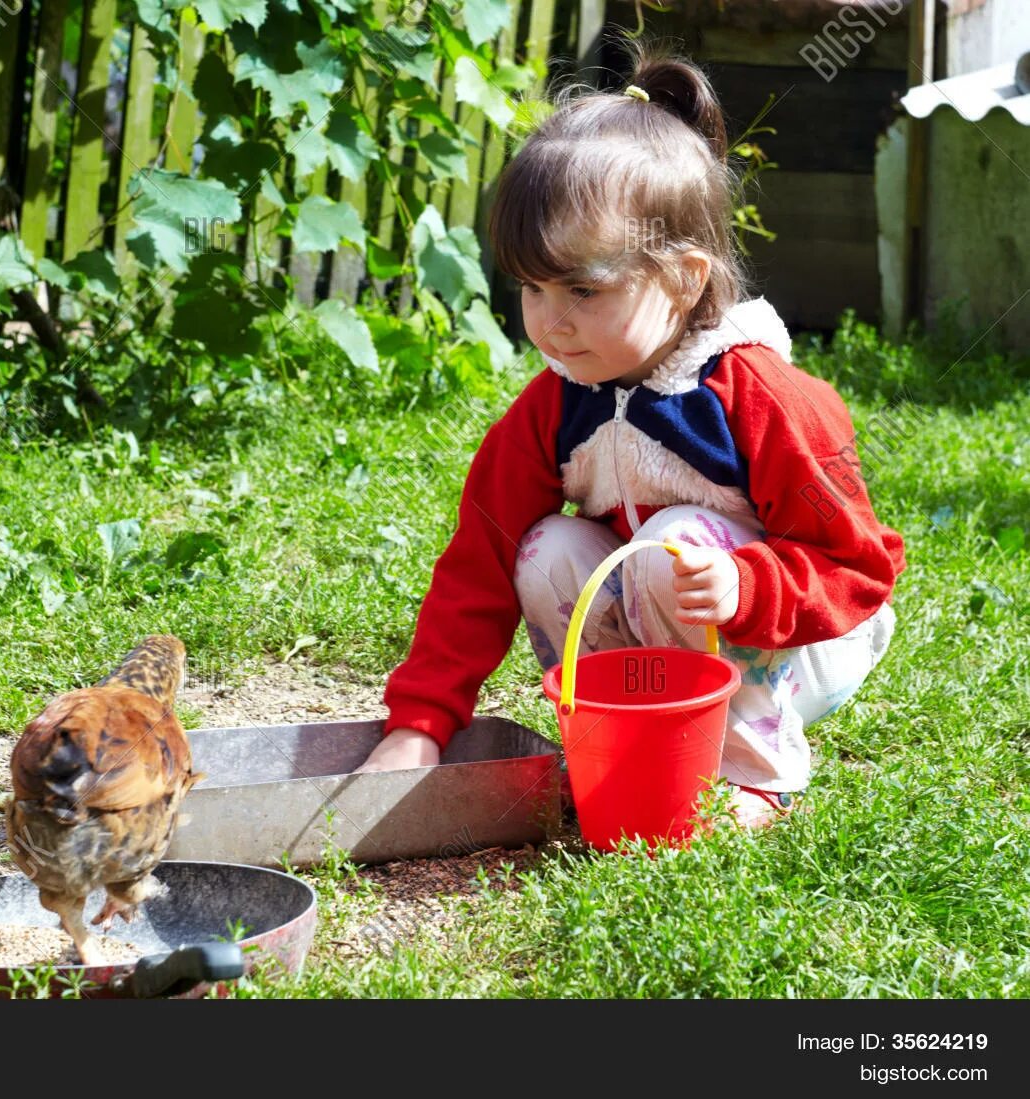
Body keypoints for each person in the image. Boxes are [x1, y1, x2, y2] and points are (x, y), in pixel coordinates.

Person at [354, 52, 905, 827]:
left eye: (582, 288)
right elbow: (476, 563)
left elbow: (858, 564)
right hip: (664, 619)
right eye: (532, 286)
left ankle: (752, 773)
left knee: (674, 542)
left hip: (799, 642)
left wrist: (750, 585)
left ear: (684, 279)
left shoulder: (763, 396)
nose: (550, 320)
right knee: (542, 546)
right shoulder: (556, 404)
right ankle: (625, 742)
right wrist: (420, 724)